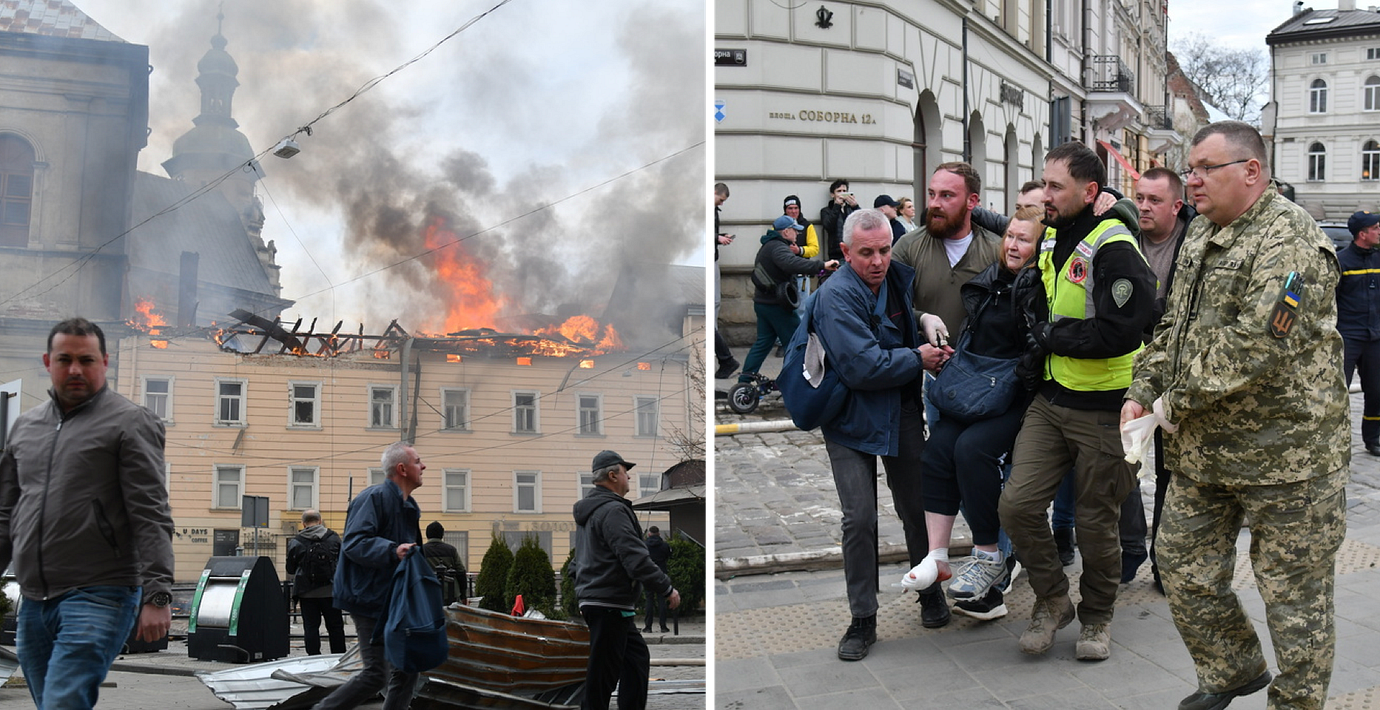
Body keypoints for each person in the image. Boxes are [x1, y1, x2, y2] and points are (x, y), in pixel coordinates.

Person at [1124, 121, 1349, 710]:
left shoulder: (1290, 239)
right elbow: (1174, 324)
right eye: (1190, 169)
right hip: (1205, 450)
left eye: (1203, 169)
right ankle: (1230, 670)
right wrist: (1144, 388)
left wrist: (1174, 399)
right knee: (1179, 564)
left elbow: (1260, 341)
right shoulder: (1201, 235)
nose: (1191, 180)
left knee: (1294, 599)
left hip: (1289, 458)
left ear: (1251, 171)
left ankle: (1295, 704)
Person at [997, 141, 1156, 662]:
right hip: (1051, 401)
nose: (1046, 194)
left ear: (1089, 193)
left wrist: (1051, 336)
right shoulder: (1051, 239)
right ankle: (1052, 600)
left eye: (1055, 186)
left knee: (1095, 525)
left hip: (1106, 408)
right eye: (1043, 183)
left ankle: (1097, 618)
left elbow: (1124, 330)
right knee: (1017, 505)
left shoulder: (1113, 244)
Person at [0, 318, 175, 710]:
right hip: (35, 599)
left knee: (63, 701)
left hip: (101, 592)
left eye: (86, 359)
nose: (75, 369)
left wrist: (158, 593)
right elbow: (6, 514)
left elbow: (150, 512)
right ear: (48, 361)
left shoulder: (130, 422)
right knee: (52, 703)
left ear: (105, 362)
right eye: (65, 359)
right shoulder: (26, 427)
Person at [810, 209, 949, 661]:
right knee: (860, 519)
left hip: (900, 411)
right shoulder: (834, 296)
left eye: (885, 250)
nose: (878, 261)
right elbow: (863, 365)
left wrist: (923, 316)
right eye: (866, 253)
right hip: (849, 419)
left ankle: (928, 589)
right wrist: (920, 357)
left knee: (918, 508)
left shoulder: (892, 279)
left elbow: (894, 318)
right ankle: (862, 619)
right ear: (845, 252)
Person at [911, 206, 1044, 623]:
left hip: (1013, 395)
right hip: (976, 387)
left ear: (1041, 248)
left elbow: (1037, 347)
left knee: (972, 451)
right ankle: (937, 557)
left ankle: (989, 555)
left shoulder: (1039, 286)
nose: (1013, 245)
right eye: (1010, 236)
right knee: (937, 454)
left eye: (1024, 239)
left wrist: (1017, 372)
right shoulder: (991, 281)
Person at [312, 442, 426, 710]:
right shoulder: (373, 498)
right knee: (376, 674)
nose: (423, 466)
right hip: (369, 599)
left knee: (410, 666)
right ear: (402, 469)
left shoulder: (409, 506)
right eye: (418, 461)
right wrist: (392, 550)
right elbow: (353, 543)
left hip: (394, 600)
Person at [573, 450, 680, 710]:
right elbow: (635, 559)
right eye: (624, 471)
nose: (628, 475)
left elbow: (576, 562)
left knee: (636, 659)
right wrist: (666, 588)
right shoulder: (612, 511)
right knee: (602, 676)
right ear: (612, 476)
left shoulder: (593, 511)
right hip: (608, 602)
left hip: (604, 601)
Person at [1131, 167, 1197, 590]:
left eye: (1154, 201)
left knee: (1173, 474)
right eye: (1139, 198)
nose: (1144, 207)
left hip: (1177, 372)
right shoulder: (1122, 235)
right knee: (1123, 465)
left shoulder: (1197, 242)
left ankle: (1163, 563)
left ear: (1176, 206)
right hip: (1127, 368)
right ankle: (1129, 550)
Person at [893, 162, 1004, 341]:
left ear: (972, 201)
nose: (934, 204)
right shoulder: (908, 246)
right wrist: (921, 318)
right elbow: (887, 305)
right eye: (931, 194)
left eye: (946, 195)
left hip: (980, 365)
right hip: (926, 364)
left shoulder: (997, 250)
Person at [737, 215, 839, 383]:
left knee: (763, 343)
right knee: (797, 344)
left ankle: (744, 381)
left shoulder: (768, 246)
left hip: (763, 303)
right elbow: (792, 263)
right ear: (786, 232)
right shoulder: (778, 247)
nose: (797, 234)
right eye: (795, 230)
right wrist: (822, 265)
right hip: (777, 306)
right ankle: (796, 382)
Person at [1337, 209, 1380, 457]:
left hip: (1375, 337)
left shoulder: (1378, 259)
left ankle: (1373, 438)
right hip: (1348, 337)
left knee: (1376, 391)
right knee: (1339, 392)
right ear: (1362, 234)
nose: (1379, 231)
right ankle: (1337, 442)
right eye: (1375, 228)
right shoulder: (1341, 261)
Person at [287, 509, 347, 655]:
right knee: (335, 626)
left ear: (303, 523)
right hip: (331, 591)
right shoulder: (333, 538)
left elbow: (290, 568)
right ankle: (338, 657)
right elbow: (343, 562)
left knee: (311, 627)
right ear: (320, 521)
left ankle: (313, 658)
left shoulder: (296, 541)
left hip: (307, 593)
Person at [710, 182, 739, 379]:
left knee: (713, 308)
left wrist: (719, 237)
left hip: (712, 259)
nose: (722, 204)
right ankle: (723, 359)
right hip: (708, 260)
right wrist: (717, 238)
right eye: (721, 199)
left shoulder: (713, 210)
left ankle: (724, 359)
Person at [422, 521, 467, 606]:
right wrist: (463, 595)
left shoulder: (421, 551)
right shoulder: (451, 550)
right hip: (451, 592)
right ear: (442, 535)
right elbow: (461, 571)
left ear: (427, 534)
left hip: (428, 593)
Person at [819, 178, 861, 267]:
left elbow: (862, 223)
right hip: (836, 254)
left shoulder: (850, 209)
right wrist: (837, 206)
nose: (842, 194)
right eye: (839, 191)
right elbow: (829, 226)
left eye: (844, 191)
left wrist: (855, 207)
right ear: (832, 194)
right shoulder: (826, 211)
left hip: (853, 252)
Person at [642, 526, 672, 633]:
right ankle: (663, 626)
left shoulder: (644, 545)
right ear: (659, 534)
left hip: (648, 574)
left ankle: (648, 627)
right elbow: (669, 555)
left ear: (649, 534)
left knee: (649, 600)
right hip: (661, 574)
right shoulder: (664, 545)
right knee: (661, 600)